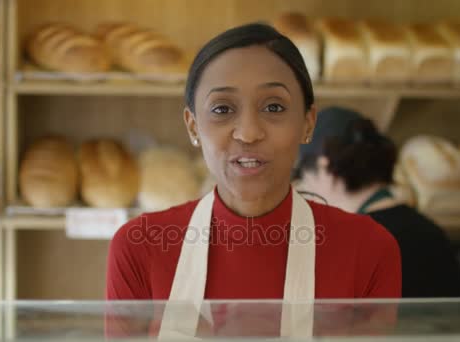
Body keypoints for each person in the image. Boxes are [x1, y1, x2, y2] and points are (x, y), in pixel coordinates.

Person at [105, 23, 401, 337]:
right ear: (193, 126)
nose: (248, 133)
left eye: (274, 107)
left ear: (307, 123)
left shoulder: (369, 248)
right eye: (222, 108)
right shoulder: (139, 246)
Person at [294, 106, 460, 298]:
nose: (306, 190)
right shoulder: (431, 232)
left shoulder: (354, 246)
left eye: (304, 177)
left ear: (324, 167)